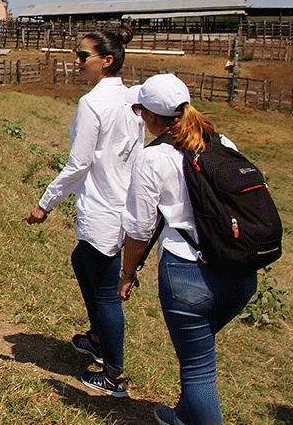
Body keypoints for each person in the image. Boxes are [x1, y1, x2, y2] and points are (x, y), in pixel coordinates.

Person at [118, 74, 257, 425]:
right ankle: (182, 416)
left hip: (187, 275)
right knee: (199, 355)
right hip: (240, 274)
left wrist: (127, 272)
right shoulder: (222, 141)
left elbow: (138, 229)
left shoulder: (153, 158)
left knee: (198, 371)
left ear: (149, 116)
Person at [24, 27, 144, 397]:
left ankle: (114, 374)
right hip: (126, 202)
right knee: (81, 261)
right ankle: (96, 338)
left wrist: (45, 204)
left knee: (108, 294)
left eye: (82, 56)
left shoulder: (93, 103)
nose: (76, 62)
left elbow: (78, 164)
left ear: (106, 60)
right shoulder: (132, 100)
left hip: (103, 208)